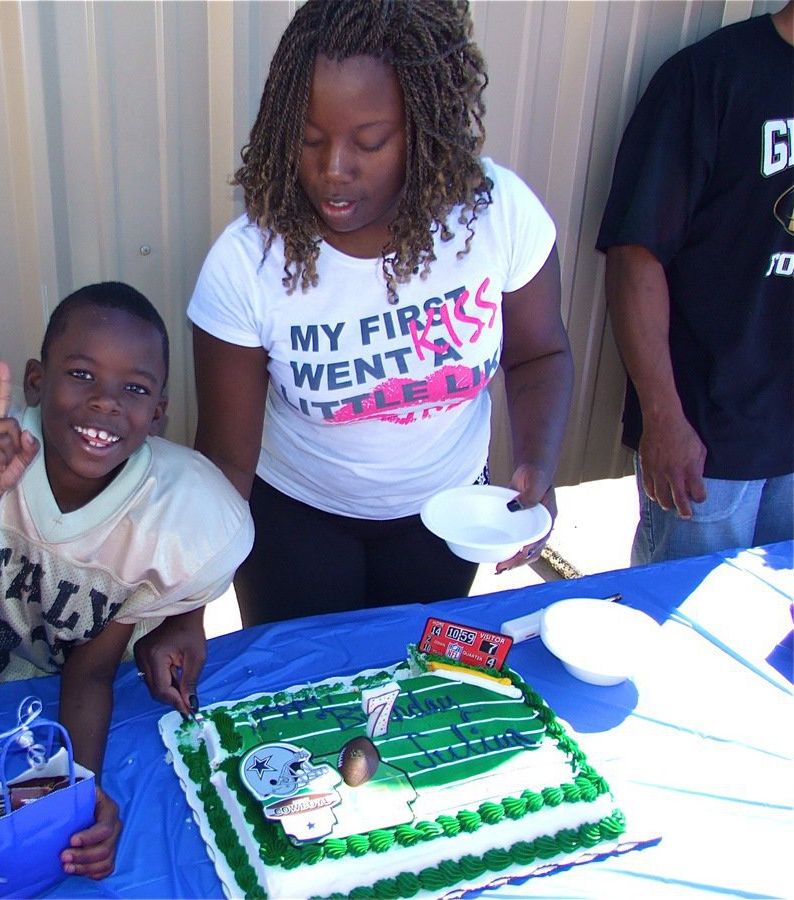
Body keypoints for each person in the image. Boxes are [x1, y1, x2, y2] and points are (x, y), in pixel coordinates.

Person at [188, 0, 573, 627]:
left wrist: (538, 461)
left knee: (409, 684)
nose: (333, 170)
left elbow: (540, 354)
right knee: (308, 700)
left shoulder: (495, 216)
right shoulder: (246, 264)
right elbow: (226, 464)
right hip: (296, 518)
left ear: (425, 126)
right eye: (310, 139)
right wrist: (186, 605)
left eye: (368, 142)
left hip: (446, 512)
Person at [0, 281, 253, 879]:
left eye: (133, 389)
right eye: (82, 374)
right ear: (36, 381)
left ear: (158, 412)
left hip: (102, 703)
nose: (106, 403)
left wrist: (78, 789)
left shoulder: (173, 516)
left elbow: (92, 669)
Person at [597, 2, 793, 565]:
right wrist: (663, 417)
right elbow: (636, 256)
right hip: (710, 443)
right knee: (682, 633)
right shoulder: (709, 77)